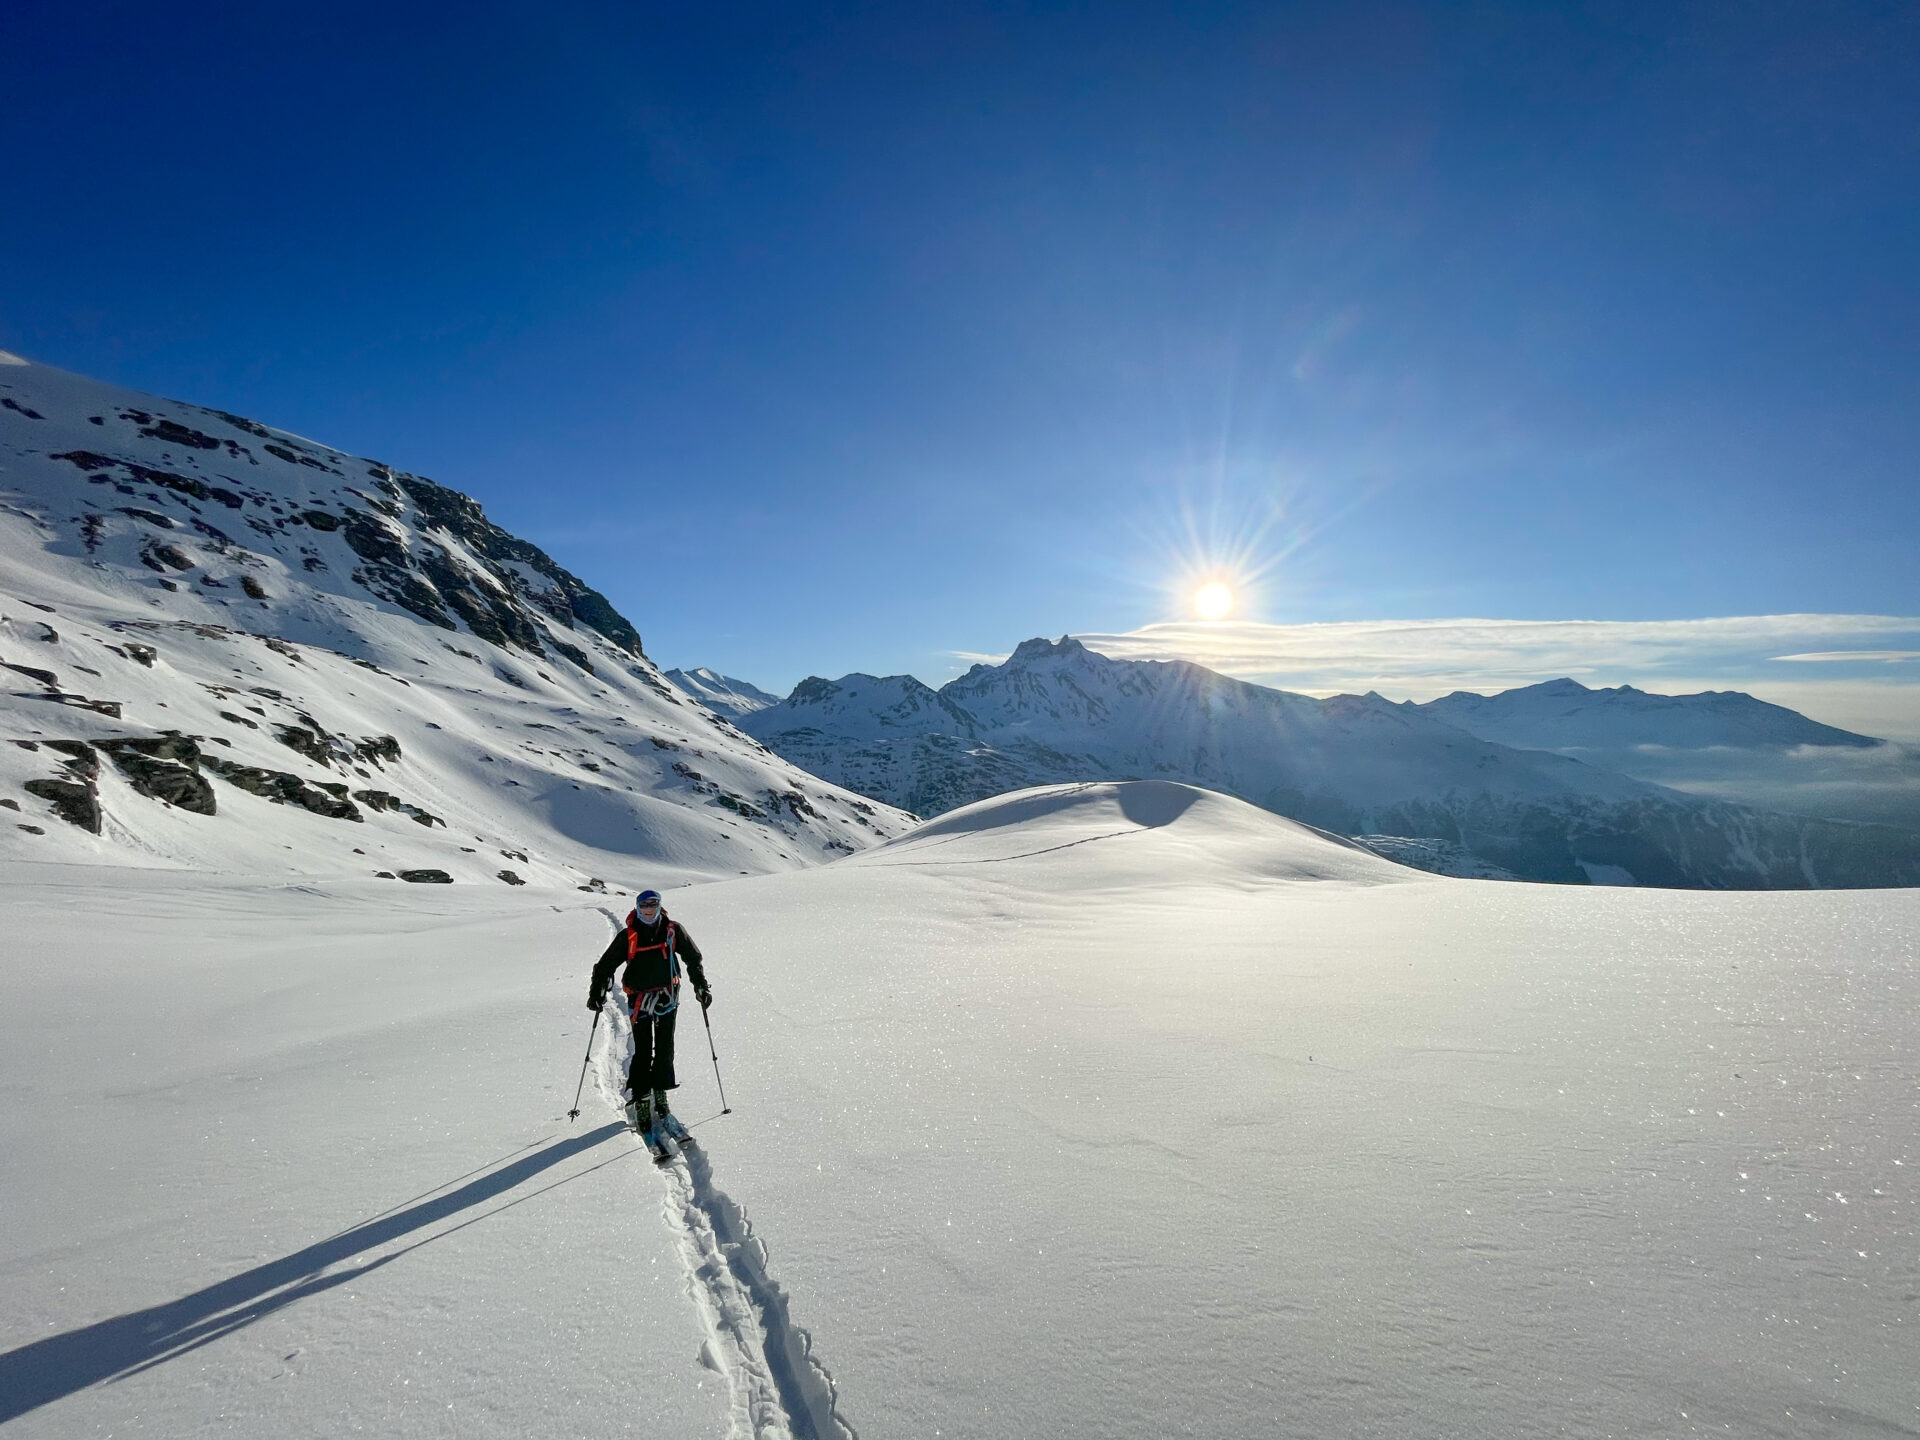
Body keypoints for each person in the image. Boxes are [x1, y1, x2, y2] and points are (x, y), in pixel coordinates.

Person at [587, 889, 711, 1140]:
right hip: (640, 999)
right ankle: (642, 1099)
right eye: (644, 907)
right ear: (638, 907)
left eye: (653, 907)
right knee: (644, 1049)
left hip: (668, 997)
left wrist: (700, 985)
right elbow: (605, 966)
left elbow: (692, 957)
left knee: (665, 1048)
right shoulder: (629, 935)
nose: (649, 911)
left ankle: (660, 1091)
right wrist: (597, 992)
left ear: (659, 907)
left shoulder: (672, 930)